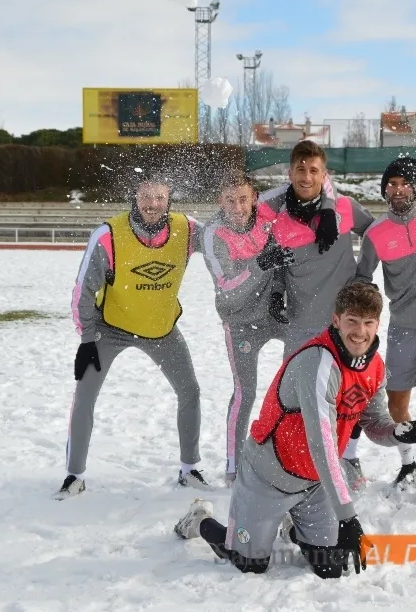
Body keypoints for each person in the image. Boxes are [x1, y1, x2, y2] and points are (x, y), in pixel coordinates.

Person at [173, 283, 416, 578]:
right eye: (352, 321)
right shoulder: (318, 363)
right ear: (336, 321)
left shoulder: (374, 366)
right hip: (268, 476)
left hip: (314, 483)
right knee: (250, 565)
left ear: (377, 324)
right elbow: (321, 445)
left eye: (368, 323)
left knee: (331, 567)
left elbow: (373, 422)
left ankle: (291, 527)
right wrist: (348, 518)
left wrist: (398, 433)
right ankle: (199, 520)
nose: (360, 332)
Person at [55, 175, 207, 499]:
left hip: (161, 330)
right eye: (146, 197)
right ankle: (74, 475)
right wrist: (86, 340)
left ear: (169, 199)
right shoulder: (109, 234)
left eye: (160, 197)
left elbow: (224, 245)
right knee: (84, 396)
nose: (152, 204)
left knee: (190, 392)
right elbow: (83, 293)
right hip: (110, 329)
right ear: (134, 198)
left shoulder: (188, 229)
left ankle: (189, 469)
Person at [257, 140, 376, 488]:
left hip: (344, 326)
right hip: (301, 323)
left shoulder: (345, 208)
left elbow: (377, 234)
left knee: (348, 398)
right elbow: (276, 265)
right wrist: (277, 291)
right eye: (300, 169)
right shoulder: (278, 220)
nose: (306, 176)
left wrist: (363, 278)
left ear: (325, 175)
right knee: (295, 396)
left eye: (314, 170)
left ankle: (347, 459)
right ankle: (294, 462)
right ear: (289, 172)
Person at [353, 157, 416, 504]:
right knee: (396, 404)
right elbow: (362, 280)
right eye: (392, 184)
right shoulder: (376, 233)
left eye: (405, 183)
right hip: (402, 331)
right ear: (384, 190)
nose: (398, 190)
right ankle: (408, 463)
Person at [199, 170, 294, 486]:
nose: (237, 208)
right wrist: (259, 266)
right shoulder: (213, 234)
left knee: (297, 382)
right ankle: (233, 467)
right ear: (219, 202)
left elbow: (311, 181)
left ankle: (292, 454)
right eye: (229, 201)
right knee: (245, 391)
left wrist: (278, 291)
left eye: (243, 199)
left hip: (275, 313)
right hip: (241, 322)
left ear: (255, 197)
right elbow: (226, 288)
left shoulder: (266, 211)